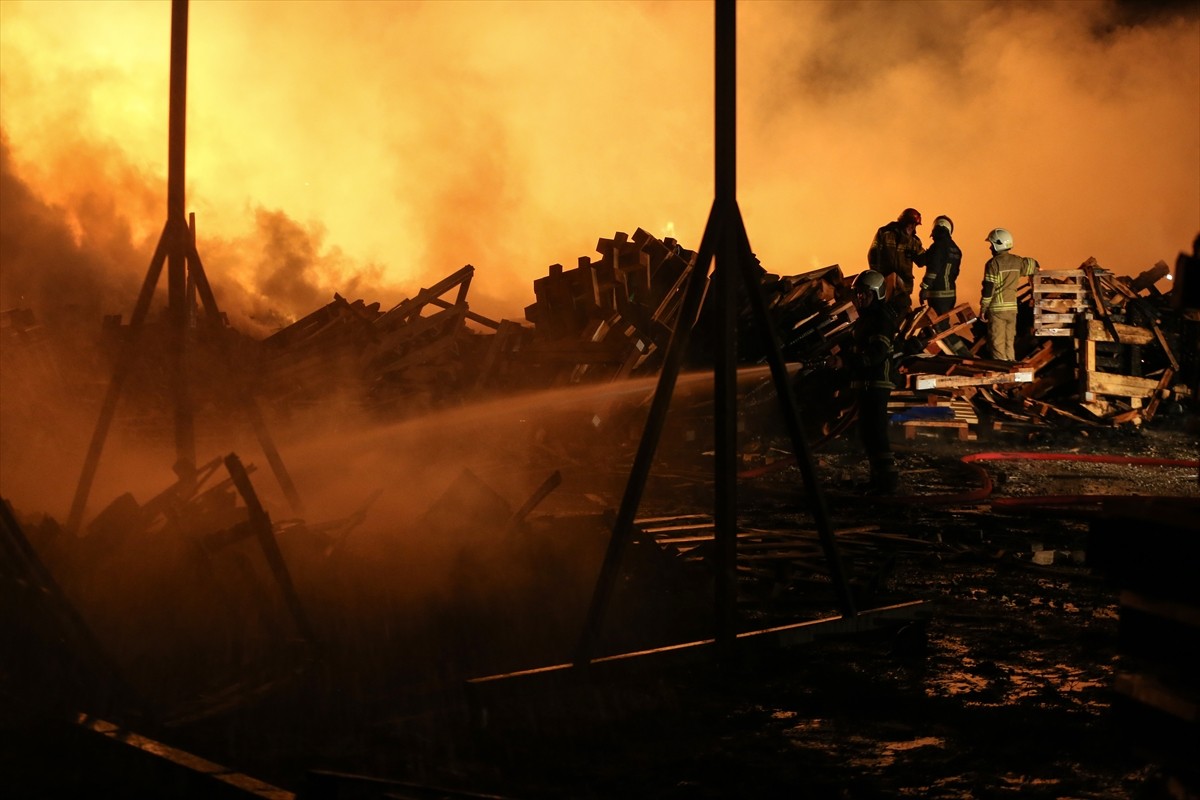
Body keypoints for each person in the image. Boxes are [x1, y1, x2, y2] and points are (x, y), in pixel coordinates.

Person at [835, 270, 901, 495]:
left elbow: (877, 353)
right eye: (858, 293)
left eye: (866, 294)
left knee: (876, 433)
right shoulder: (867, 318)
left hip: (877, 382)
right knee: (867, 432)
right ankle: (877, 479)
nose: (860, 298)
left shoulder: (880, 319)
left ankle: (887, 481)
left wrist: (847, 362)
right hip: (866, 382)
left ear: (878, 294)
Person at [979, 228, 1038, 361]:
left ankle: (1002, 369)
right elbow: (1034, 264)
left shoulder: (993, 264)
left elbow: (988, 288)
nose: (990, 247)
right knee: (1009, 342)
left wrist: (983, 308)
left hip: (997, 310)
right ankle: (1011, 365)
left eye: (991, 244)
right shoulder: (1018, 261)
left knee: (997, 343)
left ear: (997, 245)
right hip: (1012, 309)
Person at [868, 208, 925, 313]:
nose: (913, 227)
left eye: (915, 225)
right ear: (903, 222)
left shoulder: (914, 241)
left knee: (903, 313)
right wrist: (877, 276)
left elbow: (922, 261)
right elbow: (873, 254)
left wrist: (935, 251)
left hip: (904, 287)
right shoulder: (884, 233)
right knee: (882, 313)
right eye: (911, 224)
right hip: (884, 285)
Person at [915, 215, 962, 324]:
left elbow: (932, 270)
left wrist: (924, 288)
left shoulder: (937, 247)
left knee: (938, 327)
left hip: (937, 295)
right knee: (943, 325)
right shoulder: (956, 250)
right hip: (951, 295)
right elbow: (955, 273)